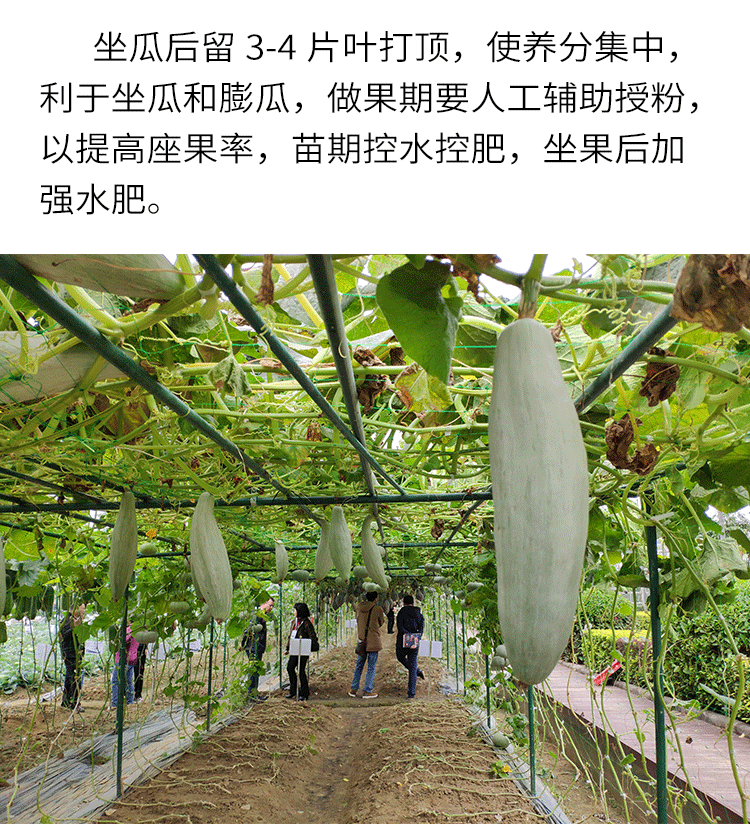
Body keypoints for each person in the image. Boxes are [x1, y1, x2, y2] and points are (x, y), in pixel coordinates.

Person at [349, 591, 385, 699]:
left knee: (359, 665)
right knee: (371, 667)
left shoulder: (359, 607)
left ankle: (353, 690)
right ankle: (367, 691)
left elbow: (358, 620)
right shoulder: (378, 609)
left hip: (362, 640)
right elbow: (381, 622)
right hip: (373, 641)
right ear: (376, 598)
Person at [242, 597, 275, 701]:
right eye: (270, 605)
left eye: (272, 606)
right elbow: (248, 630)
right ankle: (252, 695)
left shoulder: (261, 615)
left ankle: (253, 693)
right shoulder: (257, 615)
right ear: (264, 603)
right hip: (253, 647)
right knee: (254, 671)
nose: (271, 608)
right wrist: (243, 644)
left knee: (255, 670)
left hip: (257, 647)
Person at [285, 602, 318, 701]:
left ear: (300, 611)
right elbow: (291, 636)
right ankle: (293, 690)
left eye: (295, 610)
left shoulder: (307, 623)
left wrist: (305, 643)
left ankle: (304, 693)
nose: (294, 612)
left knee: (301, 670)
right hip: (295, 649)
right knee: (290, 668)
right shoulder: (294, 622)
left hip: (303, 649)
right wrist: (288, 648)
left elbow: (313, 637)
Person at [396, 594, 425, 699]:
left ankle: (418, 671)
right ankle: (411, 694)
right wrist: (416, 637)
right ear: (413, 603)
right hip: (414, 641)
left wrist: (407, 635)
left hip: (402, 641)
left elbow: (400, 627)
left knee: (400, 657)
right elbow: (421, 628)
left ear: (404, 603)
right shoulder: (418, 613)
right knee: (412, 666)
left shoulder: (401, 613)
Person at [59, 603, 86, 712]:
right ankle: (72, 703)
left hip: (75, 654)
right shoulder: (66, 620)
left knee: (72, 678)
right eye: (83, 608)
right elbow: (64, 635)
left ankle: (68, 702)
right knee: (73, 679)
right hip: (70, 655)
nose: (84, 610)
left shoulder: (75, 620)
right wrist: (74, 627)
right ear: (75, 609)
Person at [110, 622, 139, 710]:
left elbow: (124, 641)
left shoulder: (130, 629)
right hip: (131, 658)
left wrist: (117, 636)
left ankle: (115, 703)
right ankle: (129, 701)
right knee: (128, 681)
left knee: (115, 681)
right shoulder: (136, 627)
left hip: (124, 659)